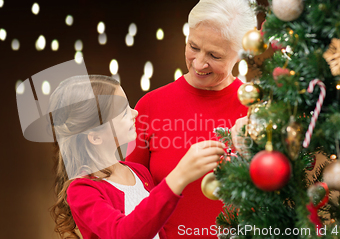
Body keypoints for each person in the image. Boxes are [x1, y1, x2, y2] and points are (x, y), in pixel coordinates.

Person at [125, 0, 256, 238]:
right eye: (193, 47)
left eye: (214, 55)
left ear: (241, 54)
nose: (198, 63)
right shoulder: (149, 107)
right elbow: (130, 197)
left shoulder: (256, 111)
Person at [50, 75, 225, 239]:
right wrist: (180, 175)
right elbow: (123, 233)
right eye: (123, 112)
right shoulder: (82, 190)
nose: (135, 113)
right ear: (96, 136)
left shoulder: (139, 172)